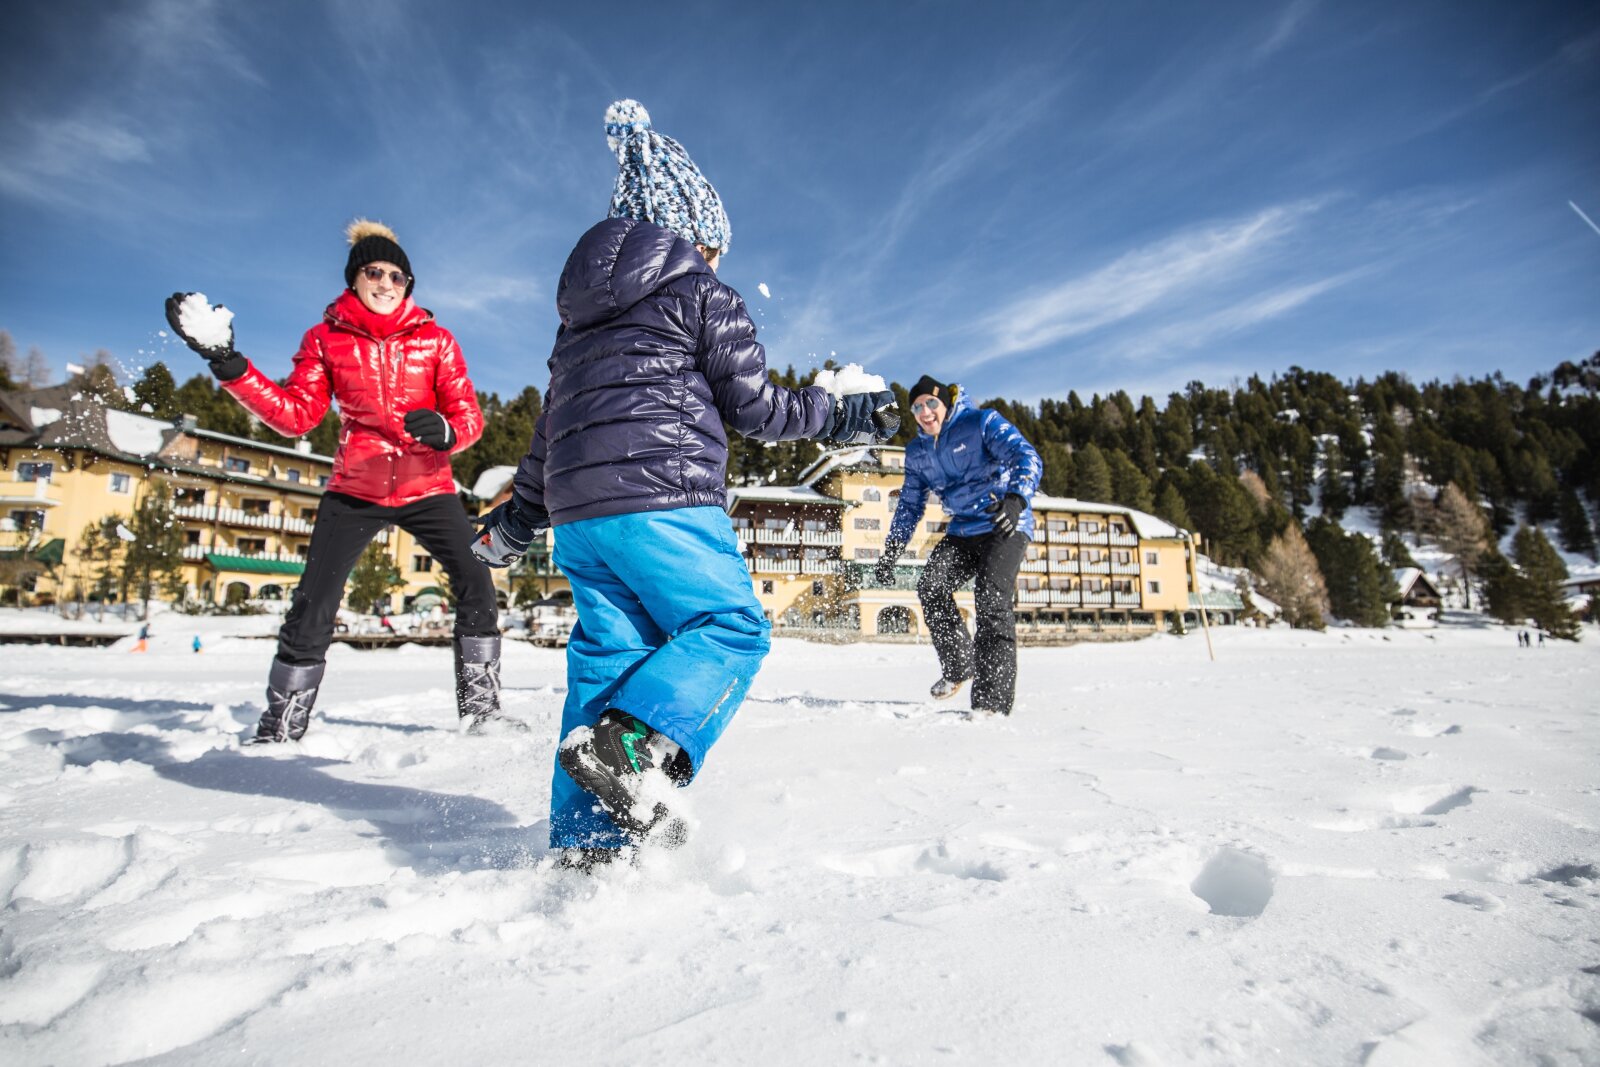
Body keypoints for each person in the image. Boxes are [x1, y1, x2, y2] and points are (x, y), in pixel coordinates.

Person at [472, 100, 898, 867]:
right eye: (715, 247)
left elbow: (548, 434)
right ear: (692, 235)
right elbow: (758, 410)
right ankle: (636, 750)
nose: (719, 261)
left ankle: (583, 846)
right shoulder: (702, 292)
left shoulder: (577, 329)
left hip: (581, 519)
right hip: (665, 501)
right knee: (730, 626)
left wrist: (515, 522)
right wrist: (841, 417)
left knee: (609, 660)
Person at [164, 220, 506, 742]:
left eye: (398, 275)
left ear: (408, 285)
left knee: (477, 577)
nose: (387, 283)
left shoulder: (436, 340)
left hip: (428, 486)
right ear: (355, 279)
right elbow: (297, 415)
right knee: (315, 600)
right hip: (355, 487)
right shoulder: (325, 338)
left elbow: (468, 417)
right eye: (375, 272)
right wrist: (230, 365)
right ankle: (282, 723)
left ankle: (482, 711)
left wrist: (446, 431)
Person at [874, 375, 1041, 716]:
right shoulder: (918, 452)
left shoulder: (981, 422)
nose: (925, 412)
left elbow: (1025, 455)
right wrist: (893, 549)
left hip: (1003, 522)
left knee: (991, 598)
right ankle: (958, 665)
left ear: (945, 403)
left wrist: (1016, 499)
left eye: (931, 403)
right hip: (963, 528)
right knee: (931, 586)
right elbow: (910, 504)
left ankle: (990, 705)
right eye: (917, 407)